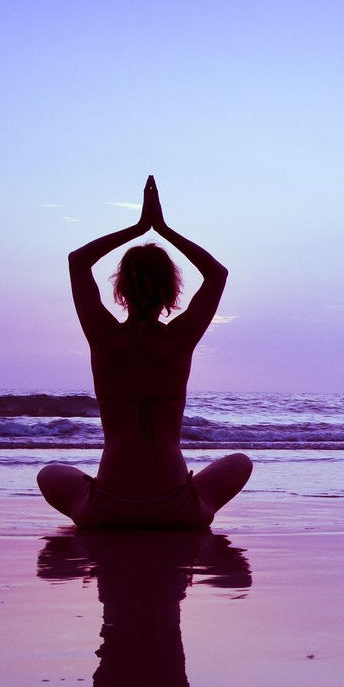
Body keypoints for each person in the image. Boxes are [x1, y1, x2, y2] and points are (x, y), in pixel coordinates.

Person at [37, 176, 252, 529]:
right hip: (177, 511)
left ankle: (103, 501)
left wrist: (138, 228)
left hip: (106, 512)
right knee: (240, 462)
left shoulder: (104, 336)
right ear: (171, 291)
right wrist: (163, 230)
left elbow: (78, 261)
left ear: (120, 289)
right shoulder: (179, 339)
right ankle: (189, 501)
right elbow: (217, 274)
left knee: (49, 473)